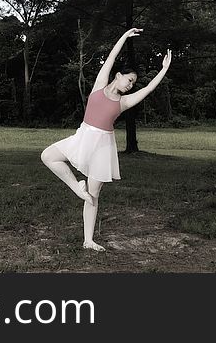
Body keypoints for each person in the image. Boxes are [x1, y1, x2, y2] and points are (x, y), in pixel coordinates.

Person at [40, 27, 172, 252]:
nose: (131, 85)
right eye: (129, 79)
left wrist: (164, 69)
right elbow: (111, 56)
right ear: (118, 76)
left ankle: (88, 240)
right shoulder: (99, 86)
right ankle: (75, 187)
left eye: (133, 83)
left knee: (93, 195)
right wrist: (124, 36)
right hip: (83, 136)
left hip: (103, 146)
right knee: (48, 156)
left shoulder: (124, 102)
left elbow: (149, 89)